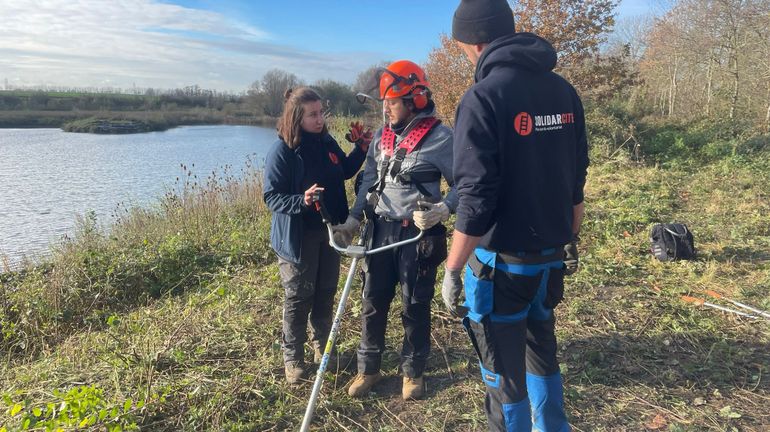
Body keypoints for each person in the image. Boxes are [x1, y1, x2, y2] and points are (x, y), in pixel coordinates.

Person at [441, 0, 589, 430]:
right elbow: (576, 179)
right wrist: (569, 239)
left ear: (474, 41)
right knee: (542, 354)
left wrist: (452, 269)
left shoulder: (483, 97)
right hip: (550, 259)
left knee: (504, 377)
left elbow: (475, 197)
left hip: (500, 268)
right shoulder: (563, 91)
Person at [335, 60, 457, 400]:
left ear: (415, 99)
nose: (386, 109)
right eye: (384, 103)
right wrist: (353, 219)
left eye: (392, 102)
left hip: (418, 234)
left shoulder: (441, 138)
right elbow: (370, 182)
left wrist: (443, 209)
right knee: (372, 300)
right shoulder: (381, 137)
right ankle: (368, 368)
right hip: (380, 231)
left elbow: (466, 184)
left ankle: (413, 371)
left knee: (414, 304)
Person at [263, 87, 369, 385]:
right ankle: (292, 358)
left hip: (330, 232)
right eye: (312, 114)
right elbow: (271, 197)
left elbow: (345, 171)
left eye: (322, 112)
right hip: (298, 236)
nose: (320, 119)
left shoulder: (326, 141)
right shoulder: (282, 151)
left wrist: (361, 149)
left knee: (325, 291)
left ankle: (322, 348)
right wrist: (302, 200)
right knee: (298, 296)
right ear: (297, 117)